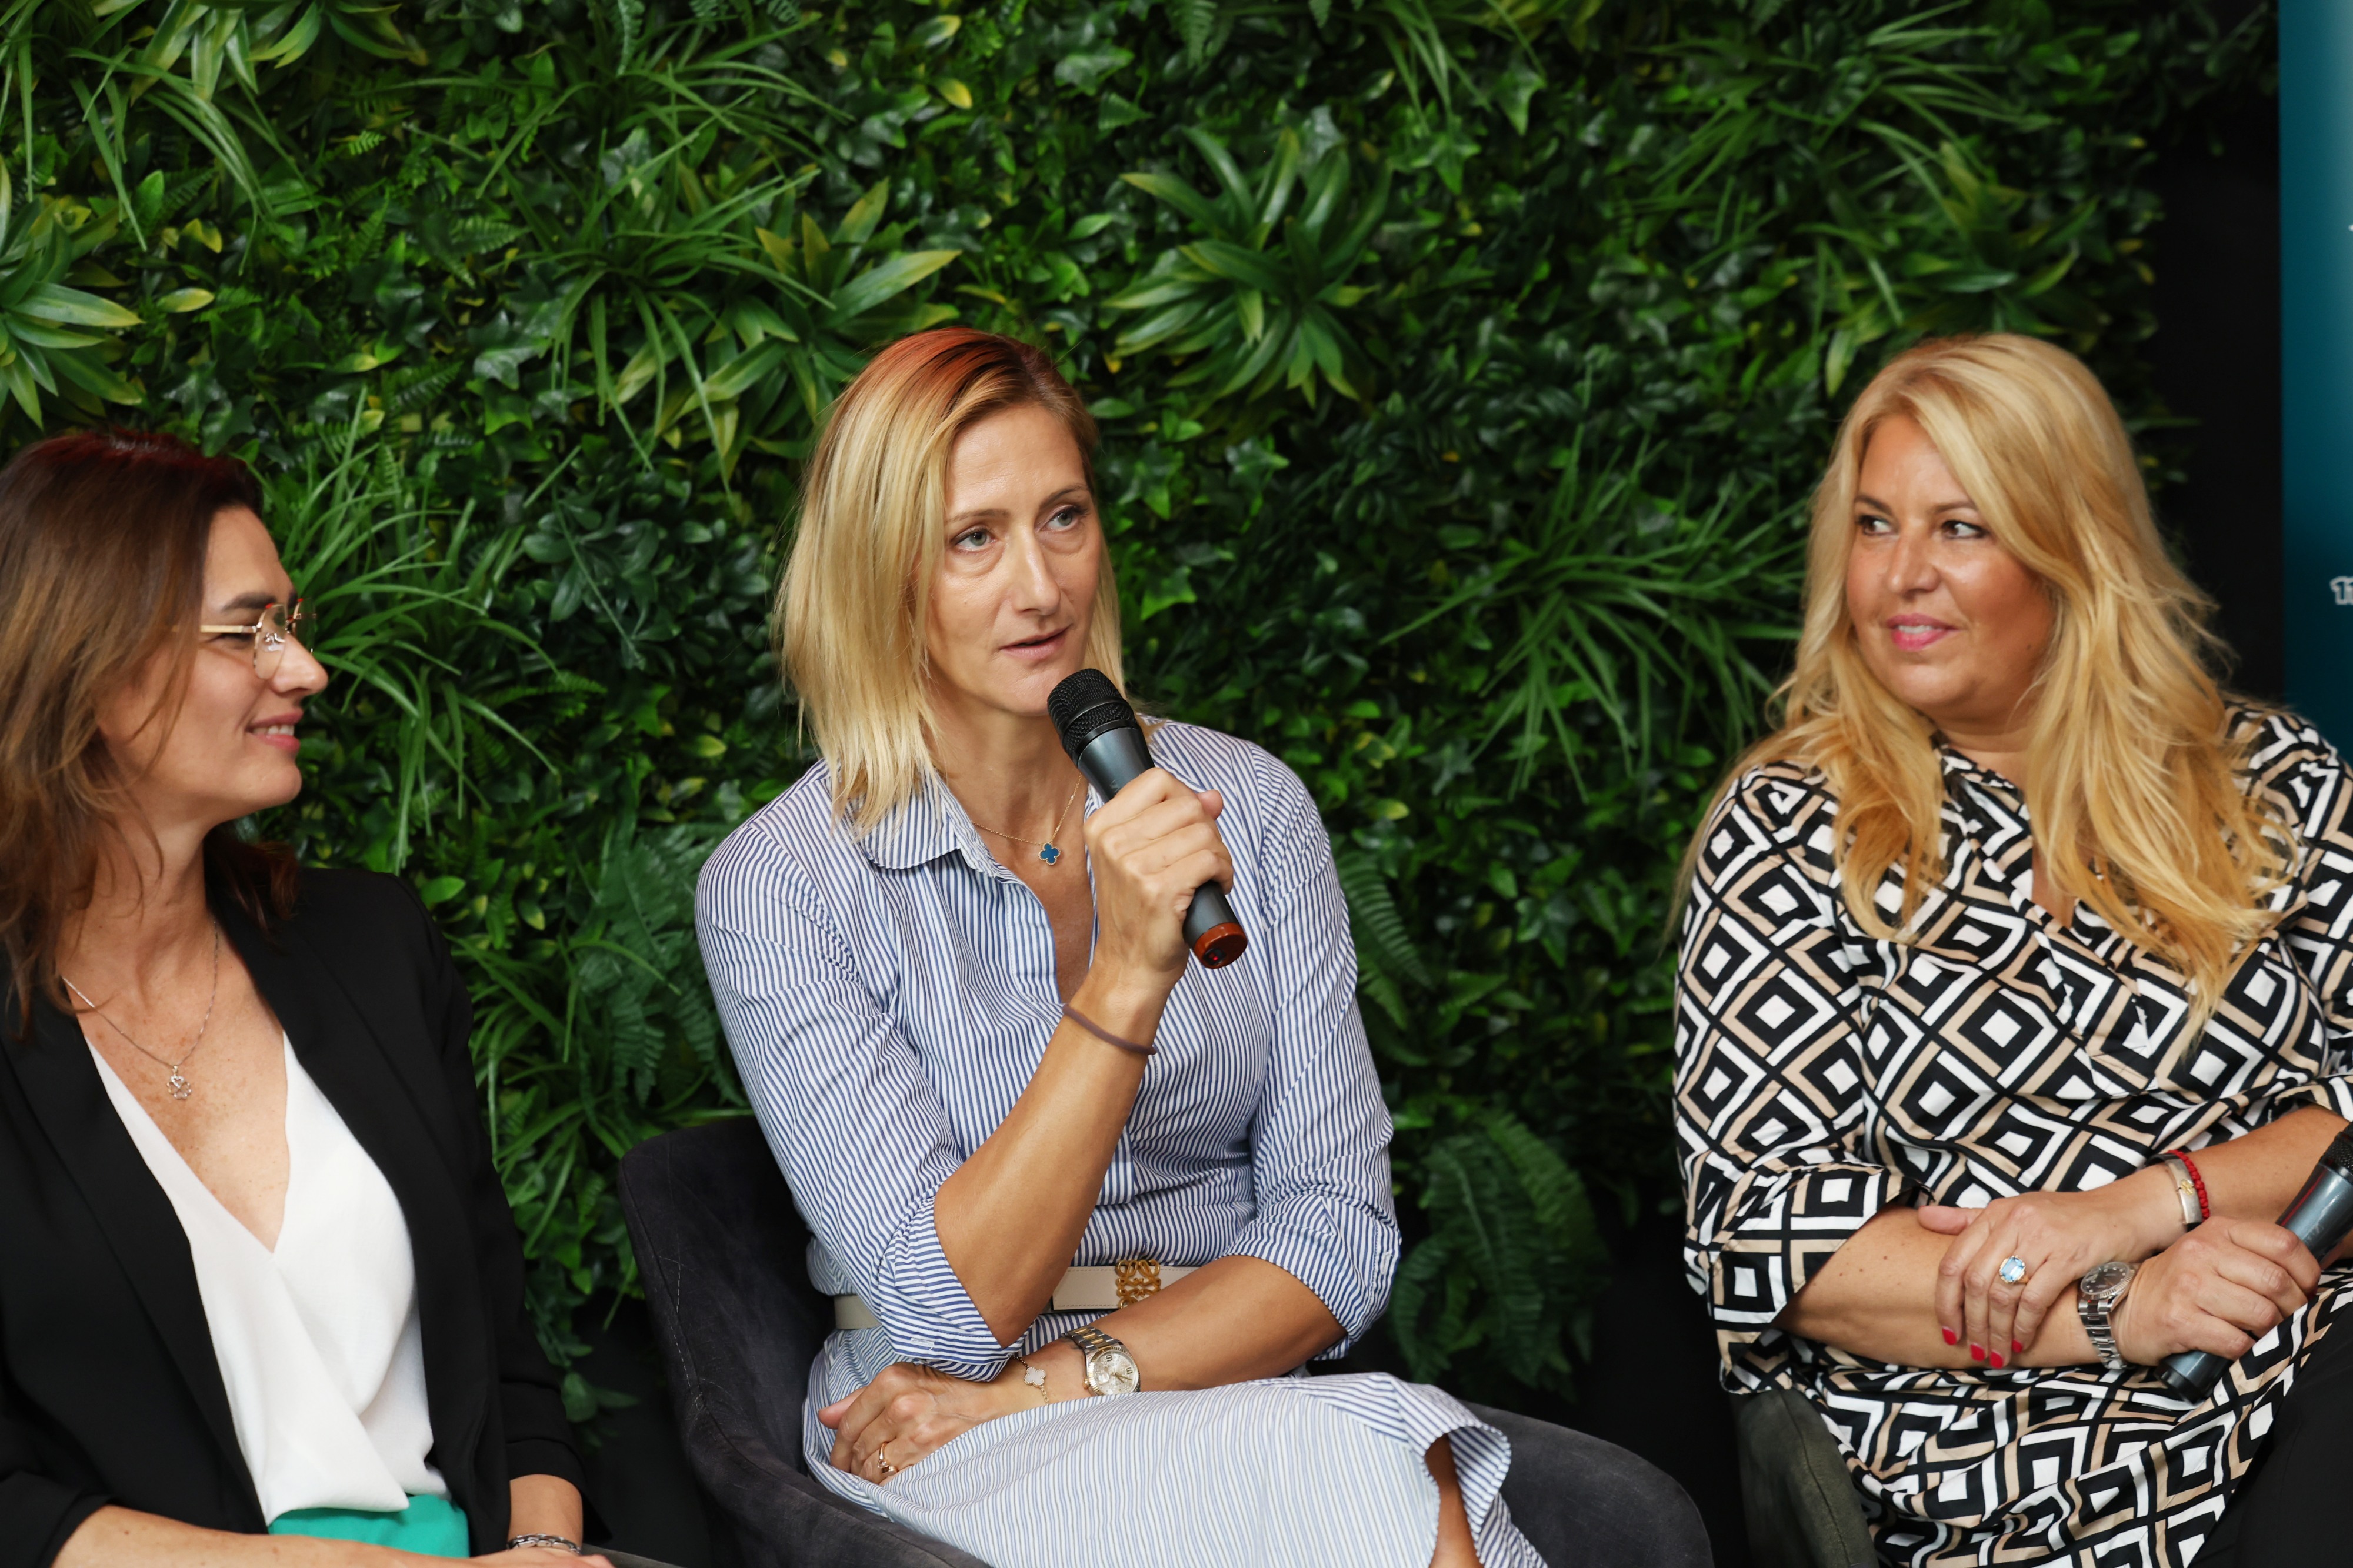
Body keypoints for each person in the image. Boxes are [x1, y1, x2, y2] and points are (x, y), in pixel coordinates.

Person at [696, 328, 1707, 1568]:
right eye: (974, 539)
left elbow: (1339, 1233)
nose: (1040, 586)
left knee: (1372, 1459)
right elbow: (950, 1316)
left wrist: (1068, 1377)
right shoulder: (784, 886)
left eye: (1063, 517)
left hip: (1216, 1376)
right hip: (939, 1429)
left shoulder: (1250, 806)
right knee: (1390, 1462)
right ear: (876, 576)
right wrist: (1126, 976)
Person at [1674, 332, 2353, 1565]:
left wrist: (2134, 1208)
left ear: (2071, 547)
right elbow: (1781, 1245)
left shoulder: (2274, 784)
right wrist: (2124, 1304)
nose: (1901, 576)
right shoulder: (1789, 828)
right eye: (1874, 525)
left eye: (1960, 528)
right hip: (2000, 1435)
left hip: (2301, 1351)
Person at [0, 430, 603, 1565]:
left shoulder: (373, 945)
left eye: (292, 623)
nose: (305, 671)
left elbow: (509, 1374)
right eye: (247, 632)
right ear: (91, 665)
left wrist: (542, 1552)